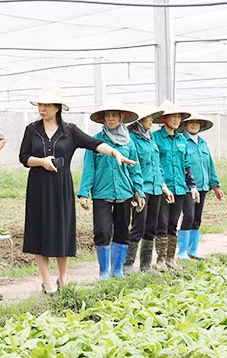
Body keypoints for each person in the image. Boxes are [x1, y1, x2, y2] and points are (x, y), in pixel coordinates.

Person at [19, 84, 137, 295]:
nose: (42, 108)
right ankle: (47, 282)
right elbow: (24, 157)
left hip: (61, 187)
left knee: (62, 230)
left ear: (58, 108)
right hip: (37, 186)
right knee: (38, 231)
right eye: (40, 104)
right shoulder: (32, 130)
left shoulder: (70, 131)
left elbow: (94, 143)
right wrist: (41, 162)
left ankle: (63, 278)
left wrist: (115, 153)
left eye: (46, 105)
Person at [77, 101, 143, 279]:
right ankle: (104, 271)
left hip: (124, 192)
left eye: (114, 115)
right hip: (102, 193)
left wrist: (139, 191)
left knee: (122, 231)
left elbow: (135, 169)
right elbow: (89, 168)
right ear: (103, 119)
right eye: (108, 116)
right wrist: (84, 193)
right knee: (102, 231)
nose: (111, 119)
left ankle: (117, 270)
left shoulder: (129, 142)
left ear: (121, 118)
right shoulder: (96, 142)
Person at [124, 104, 175, 273]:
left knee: (151, 227)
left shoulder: (151, 138)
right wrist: (137, 191)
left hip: (155, 189)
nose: (151, 121)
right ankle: (128, 265)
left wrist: (164, 187)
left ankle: (145, 265)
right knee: (138, 226)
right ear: (139, 121)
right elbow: (133, 167)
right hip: (142, 188)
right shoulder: (132, 139)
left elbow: (157, 165)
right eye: (148, 118)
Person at [152, 101, 199, 271]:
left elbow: (186, 165)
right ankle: (160, 260)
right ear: (164, 118)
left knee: (173, 223)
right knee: (162, 223)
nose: (177, 120)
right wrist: (162, 185)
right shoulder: (156, 138)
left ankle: (171, 259)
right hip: (163, 188)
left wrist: (192, 186)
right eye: (173, 116)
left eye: (179, 117)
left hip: (180, 187)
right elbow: (155, 163)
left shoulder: (181, 139)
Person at [178, 112, 224, 260]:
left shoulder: (203, 143)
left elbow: (210, 165)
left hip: (203, 186)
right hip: (187, 187)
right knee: (188, 216)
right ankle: (182, 251)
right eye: (191, 122)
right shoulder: (181, 141)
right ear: (184, 124)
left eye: (197, 123)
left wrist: (215, 185)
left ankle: (193, 250)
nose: (194, 125)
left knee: (197, 218)